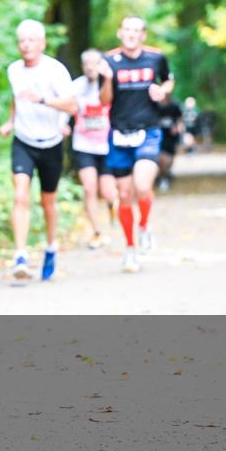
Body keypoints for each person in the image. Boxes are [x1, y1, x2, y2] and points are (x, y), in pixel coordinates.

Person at [0, 20, 77, 281]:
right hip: (23, 140)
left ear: (42, 43)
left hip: (51, 142)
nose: (26, 45)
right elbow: (16, 98)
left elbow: (72, 106)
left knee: (48, 202)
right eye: (22, 40)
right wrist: (11, 121)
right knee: (20, 195)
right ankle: (20, 254)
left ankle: (51, 246)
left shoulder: (56, 71)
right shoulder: (14, 70)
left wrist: (43, 99)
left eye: (31, 40)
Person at [98, 16, 174, 273]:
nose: (131, 34)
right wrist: (107, 79)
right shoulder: (108, 61)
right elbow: (104, 99)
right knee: (123, 195)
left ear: (143, 35)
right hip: (119, 134)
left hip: (148, 131)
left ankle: (145, 225)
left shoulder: (156, 58)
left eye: (137, 30)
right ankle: (130, 248)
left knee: (142, 185)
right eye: (127, 30)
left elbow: (168, 80)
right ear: (120, 33)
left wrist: (163, 91)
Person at [62, 49, 117, 250]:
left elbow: (111, 104)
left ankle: (113, 205)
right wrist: (63, 123)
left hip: (106, 145)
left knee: (109, 192)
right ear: (83, 65)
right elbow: (65, 105)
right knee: (89, 188)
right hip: (83, 144)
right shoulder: (76, 86)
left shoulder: (109, 83)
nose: (90, 67)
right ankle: (96, 232)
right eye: (87, 64)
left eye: (94, 63)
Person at [156, 95, 184, 192]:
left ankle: (165, 175)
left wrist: (178, 128)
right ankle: (162, 178)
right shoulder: (154, 104)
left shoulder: (174, 105)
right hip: (158, 136)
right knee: (160, 159)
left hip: (171, 137)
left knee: (169, 159)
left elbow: (180, 119)